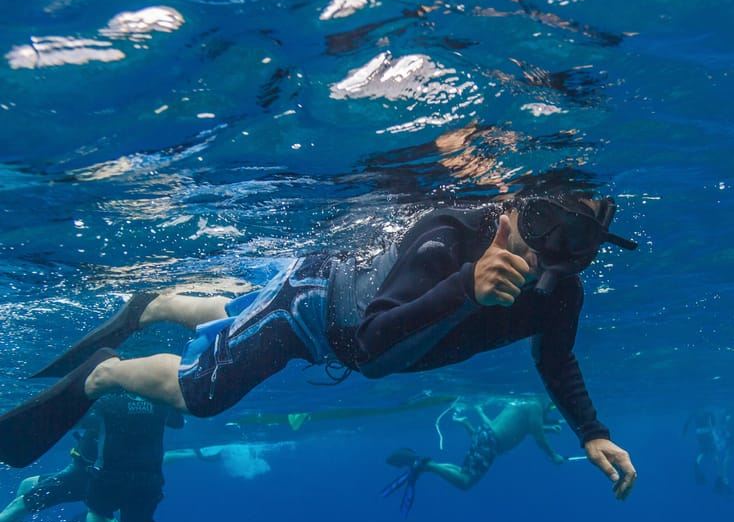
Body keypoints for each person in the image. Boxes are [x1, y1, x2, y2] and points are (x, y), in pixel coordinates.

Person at [0, 193, 638, 499]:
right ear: (509, 212)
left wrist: (591, 431)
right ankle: (105, 373)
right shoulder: (448, 235)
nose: (541, 254)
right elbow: (371, 344)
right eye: (538, 226)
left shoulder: (560, 294)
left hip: (337, 325)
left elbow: (555, 358)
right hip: (312, 305)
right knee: (206, 393)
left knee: (237, 316)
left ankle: (154, 306)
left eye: (573, 244)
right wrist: (465, 290)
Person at [381, 396, 565, 514]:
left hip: (485, 436)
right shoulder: (535, 407)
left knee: (462, 471)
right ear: (548, 403)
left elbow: (528, 428)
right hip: (491, 442)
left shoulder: (525, 404)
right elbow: (539, 438)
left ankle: (425, 465)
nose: (549, 412)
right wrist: (554, 455)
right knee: (465, 481)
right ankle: (426, 465)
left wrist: (549, 428)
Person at [84, 391, 184, 522]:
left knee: (96, 513)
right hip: (148, 482)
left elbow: (85, 420)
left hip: (110, 475)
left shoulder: (108, 399)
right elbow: (178, 422)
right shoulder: (160, 400)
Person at [0, 427, 98, 522]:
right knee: (27, 484)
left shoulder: (101, 417)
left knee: (19, 506)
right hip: (82, 475)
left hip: (78, 477)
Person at [682, 409, 722, 489]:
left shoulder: (696, 412)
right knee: (714, 452)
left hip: (699, 434)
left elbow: (689, 421)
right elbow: (711, 426)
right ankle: (719, 477)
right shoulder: (709, 412)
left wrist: (685, 429)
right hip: (707, 433)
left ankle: (696, 465)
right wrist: (715, 436)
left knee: (703, 452)